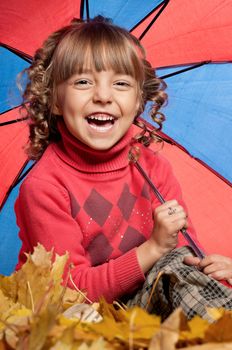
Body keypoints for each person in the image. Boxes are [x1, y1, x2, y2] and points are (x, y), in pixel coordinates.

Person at [15, 17, 232, 308]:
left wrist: (216, 277)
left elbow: (183, 256)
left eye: (120, 83)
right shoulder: (45, 187)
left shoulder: (154, 169)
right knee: (171, 268)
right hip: (82, 317)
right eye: (83, 82)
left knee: (181, 265)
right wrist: (152, 248)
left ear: (138, 101)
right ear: (54, 99)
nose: (103, 96)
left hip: (153, 306)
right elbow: (67, 293)